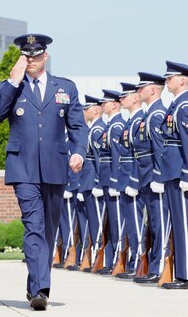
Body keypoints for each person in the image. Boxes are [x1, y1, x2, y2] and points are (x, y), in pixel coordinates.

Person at [0, 34, 87, 311]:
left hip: (55, 166)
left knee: (48, 230)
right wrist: (11, 82)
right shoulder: (13, 87)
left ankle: (35, 286)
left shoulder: (65, 87)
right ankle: (41, 289)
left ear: (46, 56)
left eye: (36, 55)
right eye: (26, 55)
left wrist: (78, 151)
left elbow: (78, 126)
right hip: (23, 168)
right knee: (34, 226)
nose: (30, 60)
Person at [160, 61, 188, 289]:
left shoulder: (185, 106)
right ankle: (183, 273)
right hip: (172, 171)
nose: (167, 81)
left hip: (180, 173)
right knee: (179, 223)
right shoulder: (176, 105)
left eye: (170, 78)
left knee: (186, 223)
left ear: (183, 80)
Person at [130, 72, 168, 284]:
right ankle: (154, 264)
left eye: (141, 88)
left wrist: (159, 177)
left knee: (159, 223)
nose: (138, 91)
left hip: (154, 177)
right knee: (153, 223)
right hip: (146, 177)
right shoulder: (149, 114)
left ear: (152, 89)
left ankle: (160, 266)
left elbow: (160, 149)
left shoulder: (156, 114)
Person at [114, 82, 146, 279]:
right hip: (125, 180)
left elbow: (139, 156)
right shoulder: (130, 121)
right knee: (131, 224)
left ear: (135, 98)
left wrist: (134, 181)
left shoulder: (139, 121)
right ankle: (135, 259)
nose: (121, 100)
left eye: (125, 96)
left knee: (137, 224)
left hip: (134, 181)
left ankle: (140, 261)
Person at [96, 89, 125, 275]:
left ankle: (117, 259)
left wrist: (114, 181)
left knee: (117, 222)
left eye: (105, 103)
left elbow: (118, 156)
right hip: (107, 180)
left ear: (114, 104)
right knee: (111, 223)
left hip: (114, 180)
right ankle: (113, 258)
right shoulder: (111, 125)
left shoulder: (116, 125)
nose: (102, 106)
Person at [78, 95, 106, 273]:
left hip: (93, 183)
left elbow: (98, 160)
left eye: (86, 109)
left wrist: (96, 183)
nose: (83, 112)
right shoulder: (92, 129)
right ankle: (95, 256)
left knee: (97, 223)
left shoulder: (97, 130)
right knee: (92, 221)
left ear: (95, 110)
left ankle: (99, 257)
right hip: (87, 182)